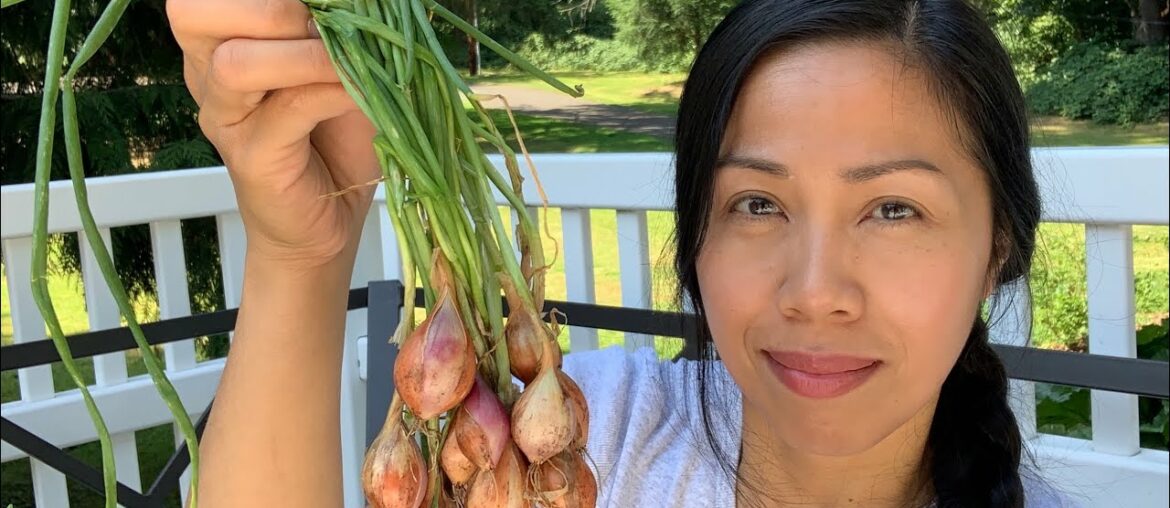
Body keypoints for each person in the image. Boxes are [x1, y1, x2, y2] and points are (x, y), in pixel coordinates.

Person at [167, 0, 1078, 506]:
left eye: (891, 210)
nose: (815, 292)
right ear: (698, 241)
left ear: (998, 245)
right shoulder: (593, 438)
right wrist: (301, 256)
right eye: (757, 202)